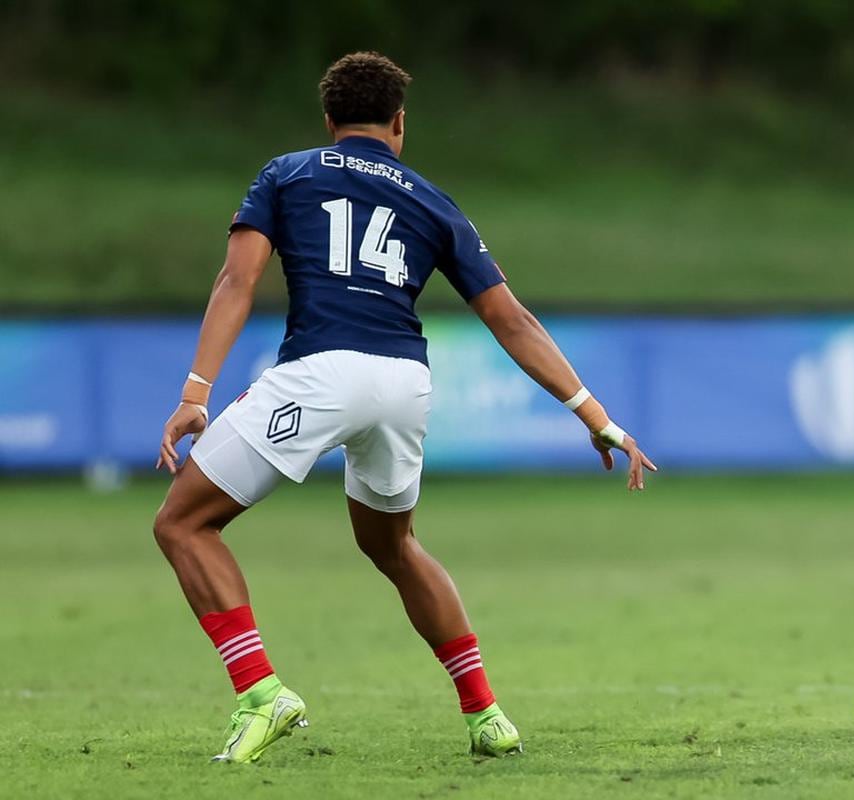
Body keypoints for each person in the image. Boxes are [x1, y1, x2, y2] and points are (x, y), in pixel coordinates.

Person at [153, 51, 657, 764]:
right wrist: (594, 414)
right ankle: (486, 715)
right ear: (399, 123)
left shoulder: (287, 173)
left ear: (329, 121)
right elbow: (512, 320)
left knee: (183, 523)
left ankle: (262, 694)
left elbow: (237, 280)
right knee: (395, 546)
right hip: (404, 383)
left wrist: (195, 393)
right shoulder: (431, 199)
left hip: (321, 371)